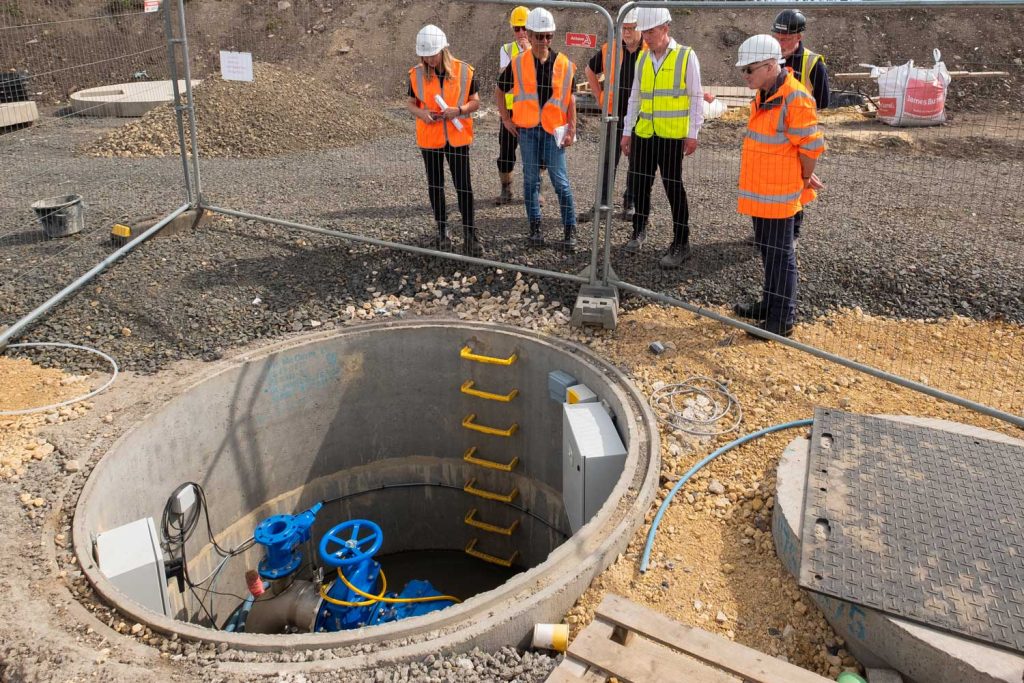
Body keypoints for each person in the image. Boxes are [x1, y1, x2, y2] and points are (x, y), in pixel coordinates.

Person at [733, 34, 824, 339]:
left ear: (771, 67)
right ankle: (770, 305)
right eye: (743, 70)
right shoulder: (765, 94)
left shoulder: (795, 97)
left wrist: (802, 177)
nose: (745, 75)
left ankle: (781, 320)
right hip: (762, 194)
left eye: (750, 69)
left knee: (780, 257)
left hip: (779, 196)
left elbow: (811, 148)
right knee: (769, 253)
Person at [620, 7, 704, 268]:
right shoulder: (643, 59)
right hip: (644, 133)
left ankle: (682, 241)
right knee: (640, 185)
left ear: (666, 28)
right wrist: (627, 132)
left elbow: (697, 97)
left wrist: (693, 133)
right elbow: (635, 97)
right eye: (643, 31)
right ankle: (638, 230)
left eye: (651, 31)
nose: (646, 36)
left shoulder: (685, 56)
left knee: (673, 189)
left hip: (671, 137)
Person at [495, 7, 579, 252]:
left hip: (554, 132)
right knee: (530, 182)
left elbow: (571, 100)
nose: (544, 41)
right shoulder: (518, 62)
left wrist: (571, 129)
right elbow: (500, 91)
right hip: (529, 132)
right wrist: (506, 120)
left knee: (560, 183)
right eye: (539, 36)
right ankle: (535, 228)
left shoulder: (564, 64)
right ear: (529, 36)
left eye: (548, 36)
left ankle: (569, 230)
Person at [407, 25, 483, 256]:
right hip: (430, 139)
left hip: (458, 138)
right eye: (425, 55)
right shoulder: (415, 74)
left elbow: (476, 102)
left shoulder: (464, 71)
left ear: (443, 50)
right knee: (435, 185)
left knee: (463, 186)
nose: (428, 59)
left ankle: (470, 233)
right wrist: (423, 114)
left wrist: (458, 110)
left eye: (432, 54)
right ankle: (442, 230)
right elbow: (410, 103)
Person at [772, 8, 830, 244]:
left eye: (785, 39)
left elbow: (823, 101)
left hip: (798, 134)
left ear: (799, 36)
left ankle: (792, 233)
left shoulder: (812, 63)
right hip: (772, 133)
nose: (780, 43)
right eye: (777, 38)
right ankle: (769, 227)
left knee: (796, 185)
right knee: (771, 182)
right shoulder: (769, 57)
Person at [583, 7, 644, 220]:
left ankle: (631, 203)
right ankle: (601, 203)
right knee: (609, 160)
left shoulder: (649, 51)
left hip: (639, 117)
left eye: (631, 28)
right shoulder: (610, 49)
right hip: (614, 114)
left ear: (641, 28)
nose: (626, 33)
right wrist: (600, 97)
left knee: (637, 163)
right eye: (623, 28)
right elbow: (589, 71)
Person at [495, 6, 532, 205]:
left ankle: (535, 190)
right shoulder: (506, 49)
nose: (521, 33)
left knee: (536, 150)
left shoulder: (540, 48)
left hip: (532, 109)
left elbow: (537, 76)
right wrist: (525, 57)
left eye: (524, 27)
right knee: (506, 149)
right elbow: (505, 80)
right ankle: (506, 187)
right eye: (517, 28)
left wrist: (528, 53)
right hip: (510, 110)